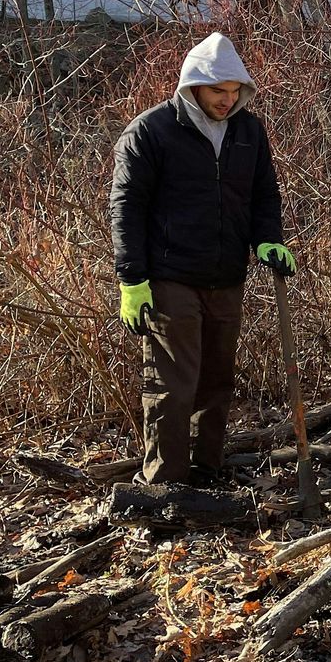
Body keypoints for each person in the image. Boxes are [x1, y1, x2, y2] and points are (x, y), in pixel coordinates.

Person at [109, 32, 295, 487]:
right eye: (218, 92)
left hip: (227, 274)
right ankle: (166, 485)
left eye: (235, 92)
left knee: (217, 381)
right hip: (170, 275)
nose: (227, 101)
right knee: (173, 384)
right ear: (193, 85)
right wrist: (131, 280)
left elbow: (262, 195)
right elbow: (125, 207)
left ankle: (207, 474)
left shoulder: (249, 131)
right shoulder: (151, 131)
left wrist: (268, 240)